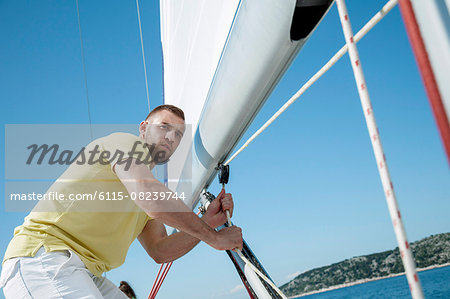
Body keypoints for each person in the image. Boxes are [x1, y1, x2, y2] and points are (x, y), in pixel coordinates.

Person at [0, 104, 243, 298]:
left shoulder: (146, 186)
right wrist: (215, 238)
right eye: (164, 127)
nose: (170, 137)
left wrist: (207, 223)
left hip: (85, 271)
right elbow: (150, 197)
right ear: (144, 128)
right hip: (44, 257)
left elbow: (160, 250)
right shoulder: (125, 144)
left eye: (178, 134)